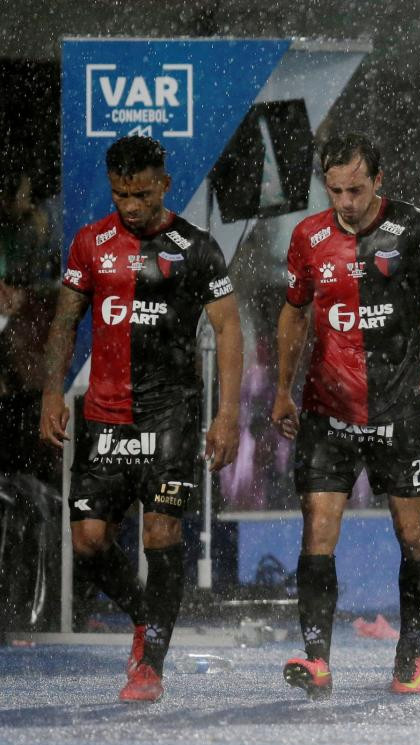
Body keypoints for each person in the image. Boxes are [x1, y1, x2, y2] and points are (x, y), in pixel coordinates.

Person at [39, 135, 242, 703]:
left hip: (169, 416)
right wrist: (51, 394)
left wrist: (225, 414)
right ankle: (141, 616)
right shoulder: (91, 242)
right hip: (104, 418)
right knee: (88, 541)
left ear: (165, 184)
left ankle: (150, 663)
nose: (131, 205)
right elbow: (63, 322)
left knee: (161, 531)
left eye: (142, 193)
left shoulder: (195, 247)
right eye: (121, 193)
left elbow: (228, 328)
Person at [273, 133, 420, 699]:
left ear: (377, 180)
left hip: (399, 407)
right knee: (318, 529)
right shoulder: (308, 237)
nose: (346, 201)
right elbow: (293, 315)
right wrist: (283, 390)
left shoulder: (413, 229)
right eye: (335, 190)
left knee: (414, 536)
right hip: (326, 410)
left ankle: (409, 652)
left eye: (356, 189)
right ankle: (317, 660)